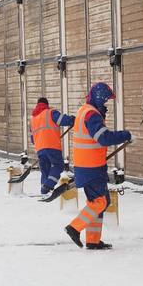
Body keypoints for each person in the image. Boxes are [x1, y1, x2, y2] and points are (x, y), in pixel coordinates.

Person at [64, 82, 131, 250]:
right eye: (106, 100)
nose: (106, 103)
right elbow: (104, 138)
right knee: (101, 201)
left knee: (96, 202)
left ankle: (93, 241)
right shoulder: (92, 115)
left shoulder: (84, 110)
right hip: (91, 167)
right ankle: (74, 227)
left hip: (88, 165)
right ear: (100, 98)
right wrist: (125, 135)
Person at [29, 97, 74, 195]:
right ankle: (48, 185)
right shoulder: (50, 113)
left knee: (45, 168)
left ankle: (44, 189)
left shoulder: (33, 119)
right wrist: (73, 120)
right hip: (52, 145)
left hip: (40, 148)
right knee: (58, 165)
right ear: (46, 104)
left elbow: (32, 139)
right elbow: (63, 120)